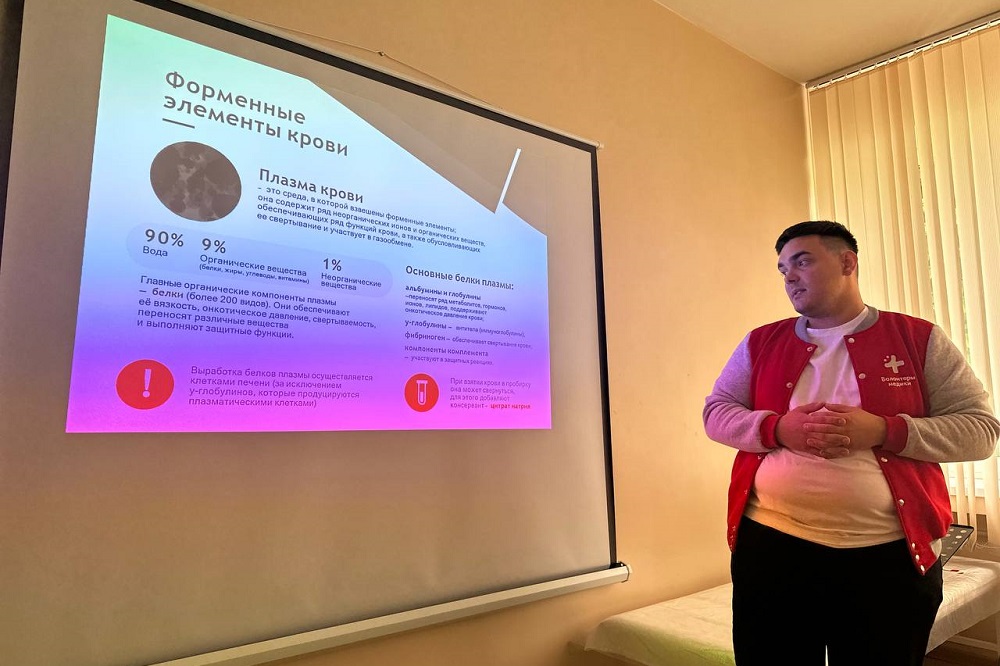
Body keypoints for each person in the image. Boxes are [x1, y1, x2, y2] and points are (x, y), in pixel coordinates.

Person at [703, 220, 999, 666]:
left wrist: (884, 430)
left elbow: (980, 431)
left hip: (889, 559)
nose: (789, 276)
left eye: (802, 262)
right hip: (772, 549)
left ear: (847, 263)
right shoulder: (760, 343)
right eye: (782, 268)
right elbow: (716, 413)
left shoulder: (918, 339)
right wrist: (777, 430)